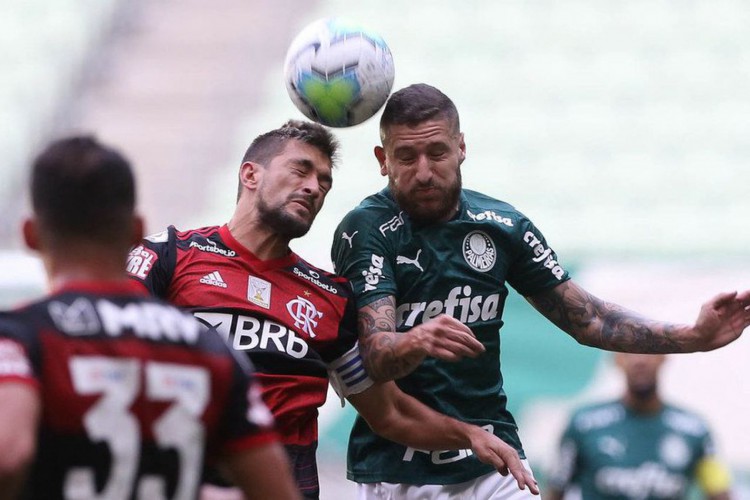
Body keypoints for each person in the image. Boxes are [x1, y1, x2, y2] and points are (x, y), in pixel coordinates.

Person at [330, 83, 750, 499]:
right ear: (383, 161)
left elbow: (590, 319)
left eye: (436, 152)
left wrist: (693, 337)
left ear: (461, 147)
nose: (423, 171)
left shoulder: (503, 224)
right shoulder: (365, 230)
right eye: (406, 157)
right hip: (400, 471)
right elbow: (376, 356)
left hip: (494, 462)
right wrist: (416, 339)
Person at [126, 119, 539, 499]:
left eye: (324, 181)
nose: (314, 187)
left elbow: (390, 413)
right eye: (300, 170)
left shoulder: (329, 298)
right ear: (250, 174)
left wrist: (469, 434)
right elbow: (106, 349)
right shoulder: (171, 255)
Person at [0, 136, 301, 500]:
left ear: (30, 235)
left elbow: (8, 455)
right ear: (137, 231)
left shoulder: (19, 339)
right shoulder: (210, 350)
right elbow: (275, 491)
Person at [545, 353, 732, 499]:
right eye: (629, 352)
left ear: (664, 358)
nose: (640, 361)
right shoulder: (583, 424)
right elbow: (555, 491)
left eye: (649, 351)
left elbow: (720, 492)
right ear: (617, 360)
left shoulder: (695, 430)